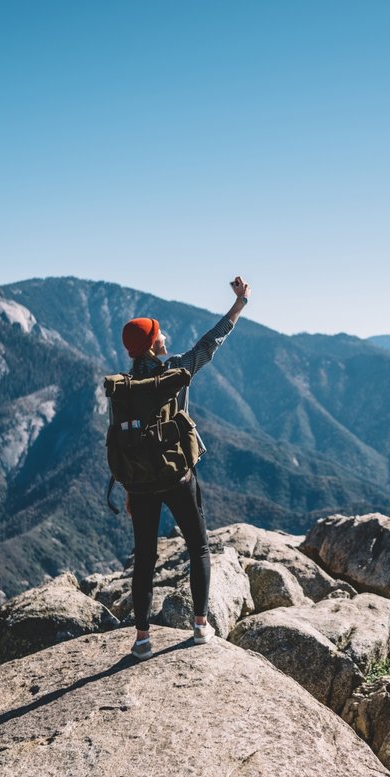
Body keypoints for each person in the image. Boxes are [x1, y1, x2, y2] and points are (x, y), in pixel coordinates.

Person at [120, 276, 250, 660]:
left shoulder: (125, 387)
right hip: (178, 476)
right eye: (159, 333)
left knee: (144, 557)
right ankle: (199, 625)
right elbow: (210, 343)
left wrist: (129, 489)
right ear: (152, 344)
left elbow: (126, 442)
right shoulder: (175, 370)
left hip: (141, 482)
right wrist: (240, 304)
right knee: (198, 547)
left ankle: (142, 639)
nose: (165, 335)